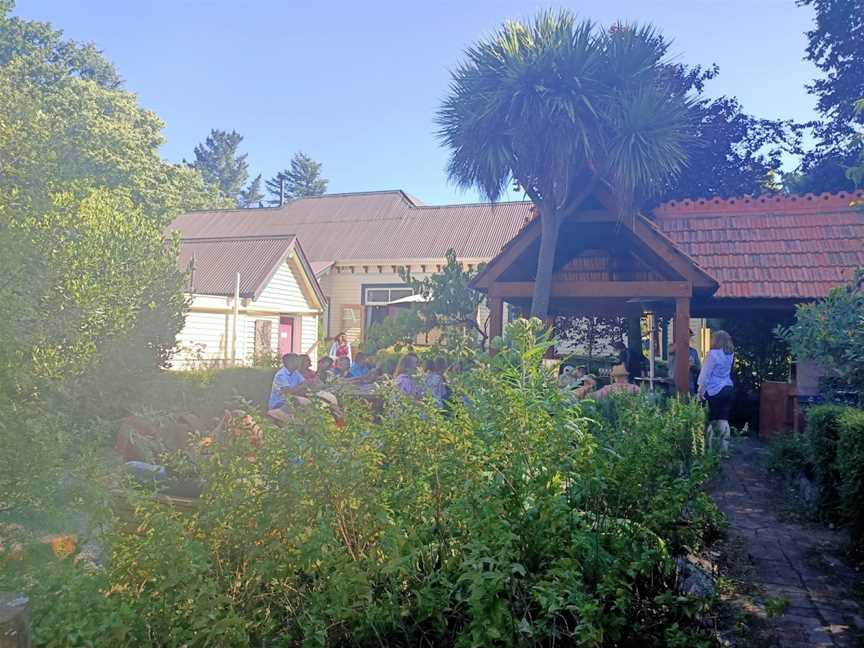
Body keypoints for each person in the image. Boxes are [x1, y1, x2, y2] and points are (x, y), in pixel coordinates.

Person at [697, 330, 735, 453]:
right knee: (723, 420)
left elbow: (705, 375)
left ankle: (710, 449)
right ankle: (724, 450)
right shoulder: (730, 354)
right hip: (728, 387)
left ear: (716, 340)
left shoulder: (712, 354)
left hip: (714, 390)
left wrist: (700, 391)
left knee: (711, 419)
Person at [267, 353, 307, 422]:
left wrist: (296, 389)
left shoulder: (295, 372)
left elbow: (305, 384)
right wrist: (300, 388)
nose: (298, 363)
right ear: (289, 362)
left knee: (307, 404)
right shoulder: (281, 375)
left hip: (290, 401)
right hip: (279, 404)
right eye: (296, 361)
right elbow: (288, 392)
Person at [669, 329, 702, 395]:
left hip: (689, 384)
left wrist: (692, 366)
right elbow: (670, 351)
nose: (687, 338)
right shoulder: (673, 348)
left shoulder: (693, 351)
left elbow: (698, 368)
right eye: (686, 336)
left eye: (689, 336)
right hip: (674, 383)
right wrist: (680, 340)